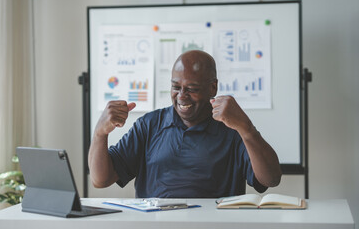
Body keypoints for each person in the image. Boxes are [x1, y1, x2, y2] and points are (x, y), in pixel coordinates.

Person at [88, 50, 282, 198]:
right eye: (175, 87)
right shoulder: (149, 125)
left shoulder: (232, 129)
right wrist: (99, 134)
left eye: (192, 88)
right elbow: (101, 179)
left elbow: (271, 179)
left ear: (213, 88)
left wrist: (246, 128)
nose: (181, 95)